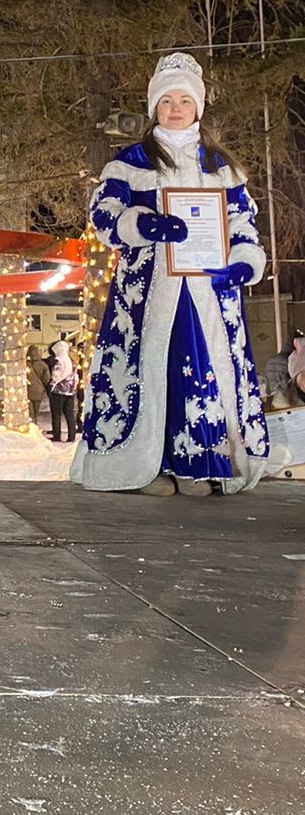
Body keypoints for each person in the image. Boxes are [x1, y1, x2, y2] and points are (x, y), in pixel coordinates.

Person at [71, 51, 269, 495]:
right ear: (153, 108)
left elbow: (242, 224)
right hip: (148, 293)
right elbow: (103, 215)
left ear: (198, 106)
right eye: (166, 101)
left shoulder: (222, 166)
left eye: (184, 99)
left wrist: (244, 263)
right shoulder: (132, 161)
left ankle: (203, 463)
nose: (175, 108)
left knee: (204, 369)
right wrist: (141, 224)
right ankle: (147, 466)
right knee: (150, 368)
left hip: (210, 292)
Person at [48, 339, 77, 442]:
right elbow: (75, 377)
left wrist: (51, 386)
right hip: (70, 391)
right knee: (69, 414)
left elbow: (56, 374)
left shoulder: (58, 360)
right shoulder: (71, 361)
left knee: (56, 414)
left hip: (58, 391)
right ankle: (71, 436)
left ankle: (57, 435)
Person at [25, 344, 50, 426]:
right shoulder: (43, 365)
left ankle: (32, 426)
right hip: (39, 391)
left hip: (27, 390)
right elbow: (47, 379)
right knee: (36, 412)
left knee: (30, 412)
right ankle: (35, 425)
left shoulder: (24, 364)